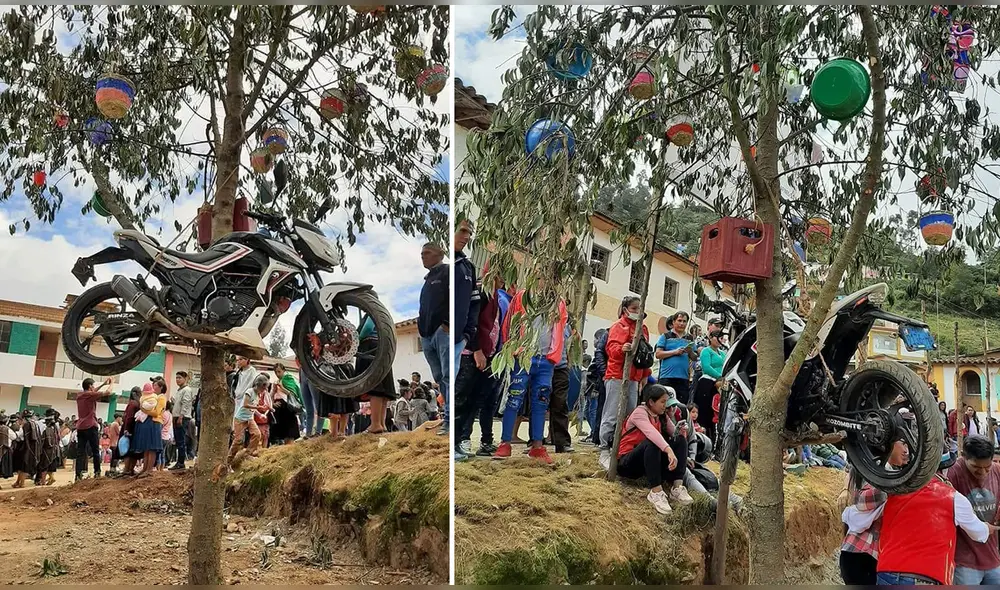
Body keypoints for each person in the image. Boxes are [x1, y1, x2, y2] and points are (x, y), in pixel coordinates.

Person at [875, 449, 997, 585]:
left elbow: (861, 520)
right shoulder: (953, 497)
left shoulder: (894, 492)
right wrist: (987, 528)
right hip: (925, 577)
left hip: (886, 573)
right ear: (943, 470)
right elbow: (978, 533)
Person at [493, 285, 568, 464]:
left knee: (541, 401)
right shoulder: (522, 297)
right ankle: (505, 442)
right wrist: (512, 349)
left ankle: (537, 446)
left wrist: (554, 356)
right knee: (514, 399)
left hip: (546, 360)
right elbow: (509, 324)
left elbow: (560, 329)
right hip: (522, 357)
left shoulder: (558, 302)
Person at [838, 439, 910, 585]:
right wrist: (894, 486)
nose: (906, 451)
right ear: (888, 444)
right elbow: (862, 501)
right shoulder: (878, 473)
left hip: (868, 556)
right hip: (860, 554)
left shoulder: (886, 473)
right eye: (903, 443)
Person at [454, 260, 506, 459]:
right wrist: (476, 349)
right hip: (471, 354)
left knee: (474, 400)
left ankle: (461, 441)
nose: (503, 280)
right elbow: (472, 321)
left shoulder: (494, 296)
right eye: (500, 275)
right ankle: (456, 441)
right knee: (461, 398)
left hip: (485, 355)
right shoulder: (481, 292)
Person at [617, 383, 694, 514]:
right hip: (629, 463)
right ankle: (656, 492)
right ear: (651, 402)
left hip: (648, 462)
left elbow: (674, 435)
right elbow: (651, 433)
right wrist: (669, 450)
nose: (665, 405)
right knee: (652, 442)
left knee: (680, 440)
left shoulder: (660, 415)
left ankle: (677, 487)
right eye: (662, 402)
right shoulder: (639, 413)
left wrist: (682, 431)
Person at [598, 296, 651, 471]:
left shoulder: (643, 328)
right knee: (612, 414)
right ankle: (604, 448)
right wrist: (621, 349)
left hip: (635, 378)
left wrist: (645, 374)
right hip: (617, 375)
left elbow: (644, 353)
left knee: (630, 415)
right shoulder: (618, 326)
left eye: (639, 308)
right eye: (634, 308)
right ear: (625, 309)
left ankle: (624, 447)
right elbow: (611, 348)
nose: (637, 311)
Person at [947, 435, 1000, 584]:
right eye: (976, 468)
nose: (982, 473)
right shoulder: (953, 473)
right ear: (964, 457)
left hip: (992, 557)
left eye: (987, 467)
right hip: (964, 562)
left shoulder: (997, 470)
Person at [418, 242, 451, 436]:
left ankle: (451, 421)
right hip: (427, 335)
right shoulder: (428, 279)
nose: (423, 256)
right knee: (439, 377)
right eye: (422, 253)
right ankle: (447, 419)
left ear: (441, 254)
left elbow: (456, 298)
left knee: (448, 376)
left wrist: (447, 323)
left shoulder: (447, 272)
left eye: (427, 252)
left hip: (442, 333)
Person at [452, 219, 481, 438]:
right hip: (438, 336)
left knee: (457, 394)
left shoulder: (467, 267)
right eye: (462, 231)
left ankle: (454, 442)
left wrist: (467, 335)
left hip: (458, 342)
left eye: (469, 233)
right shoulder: (443, 263)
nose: (466, 237)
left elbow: (474, 305)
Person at [355, 315, 398, 434]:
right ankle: (381, 424)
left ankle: (375, 424)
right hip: (383, 348)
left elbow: (368, 328)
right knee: (383, 389)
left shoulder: (372, 313)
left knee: (375, 387)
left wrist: (356, 339)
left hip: (370, 347)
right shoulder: (386, 316)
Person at [74, 376, 114, 481]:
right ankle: (97, 472)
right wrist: (112, 383)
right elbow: (108, 392)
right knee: (95, 451)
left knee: (80, 452)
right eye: (93, 385)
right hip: (91, 426)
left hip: (81, 427)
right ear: (90, 386)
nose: (94, 387)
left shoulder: (80, 395)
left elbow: (93, 392)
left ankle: (78, 475)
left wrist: (103, 384)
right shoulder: (89, 395)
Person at [655, 312, 697, 404]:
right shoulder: (665, 336)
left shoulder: (690, 338)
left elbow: (694, 358)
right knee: (665, 404)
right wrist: (675, 352)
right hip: (667, 377)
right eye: (679, 320)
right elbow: (658, 354)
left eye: (684, 321)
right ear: (673, 322)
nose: (682, 323)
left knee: (681, 405)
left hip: (683, 378)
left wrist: (690, 352)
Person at [229, 374, 269, 463]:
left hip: (250, 418)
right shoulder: (249, 391)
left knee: (257, 434)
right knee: (238, 440)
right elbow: (245, 404)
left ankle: (248, 453)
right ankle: (229, 460)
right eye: (263, 388)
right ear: (258, 385)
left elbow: (254, 407)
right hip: (240, 418)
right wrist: (258, 407)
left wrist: (262, 409)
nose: (264, 390)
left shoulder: (258, 395)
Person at [694, 330, 725, 443]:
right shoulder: (706, 351)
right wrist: (720, 377)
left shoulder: (723, 353)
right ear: (710, 338)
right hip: (707, 383)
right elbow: (706, 367)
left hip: (720, 385)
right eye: (717, 337)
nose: (719, 340)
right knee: (705, 411)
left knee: (715, 411)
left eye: (721, 337)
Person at [549, 322, 574, 454]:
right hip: (543, 367)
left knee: (560, 403)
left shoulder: (566, 326)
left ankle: (562, 442)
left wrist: (568, 364)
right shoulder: (542, 319)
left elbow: (569, 347)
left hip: (561, 368)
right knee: (538, 404)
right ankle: (535, 442)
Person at [133, 382, 166, 478]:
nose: (153, 387)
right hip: (149, 423)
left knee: (152, 448)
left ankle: (149, 469)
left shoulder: (161, 397)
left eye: (155, 385)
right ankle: (145, 468)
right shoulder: (153, 397)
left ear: (161, 387)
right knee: (147, 448)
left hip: (155, 423)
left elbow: (156, 413)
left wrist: (144, 409)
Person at [588, 328, 609, 446]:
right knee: (599, 409)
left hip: (608, 378)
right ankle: (597, 437)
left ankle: (599, 436)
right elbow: (599, 356)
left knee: (599, 409)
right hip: (605, 379)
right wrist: (604, 373)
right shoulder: (608, 335)